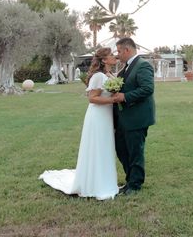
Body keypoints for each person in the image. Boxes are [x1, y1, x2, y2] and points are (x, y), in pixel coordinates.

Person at [39, 48, 119, 200]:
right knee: (98, 147)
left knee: (105, 147)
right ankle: (95, 184)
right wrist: (113, 100)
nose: (114, 56)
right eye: (111, 55)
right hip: (98, 116)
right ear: (104, 60)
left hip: (106, 116)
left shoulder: (109, 74)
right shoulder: (98, 76)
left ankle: (105, 180)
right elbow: (92, 98)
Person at [112, 37, 155, 195]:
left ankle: (135, 185)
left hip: (137, 117)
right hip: (124, 117)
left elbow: (147, 89)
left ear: (127, 50)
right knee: (121, 148)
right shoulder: (125, 68)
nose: (118, 55)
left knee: (135, 151)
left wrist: (125, 97)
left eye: (118, 52)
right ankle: (130, 179)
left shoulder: (143, 66)